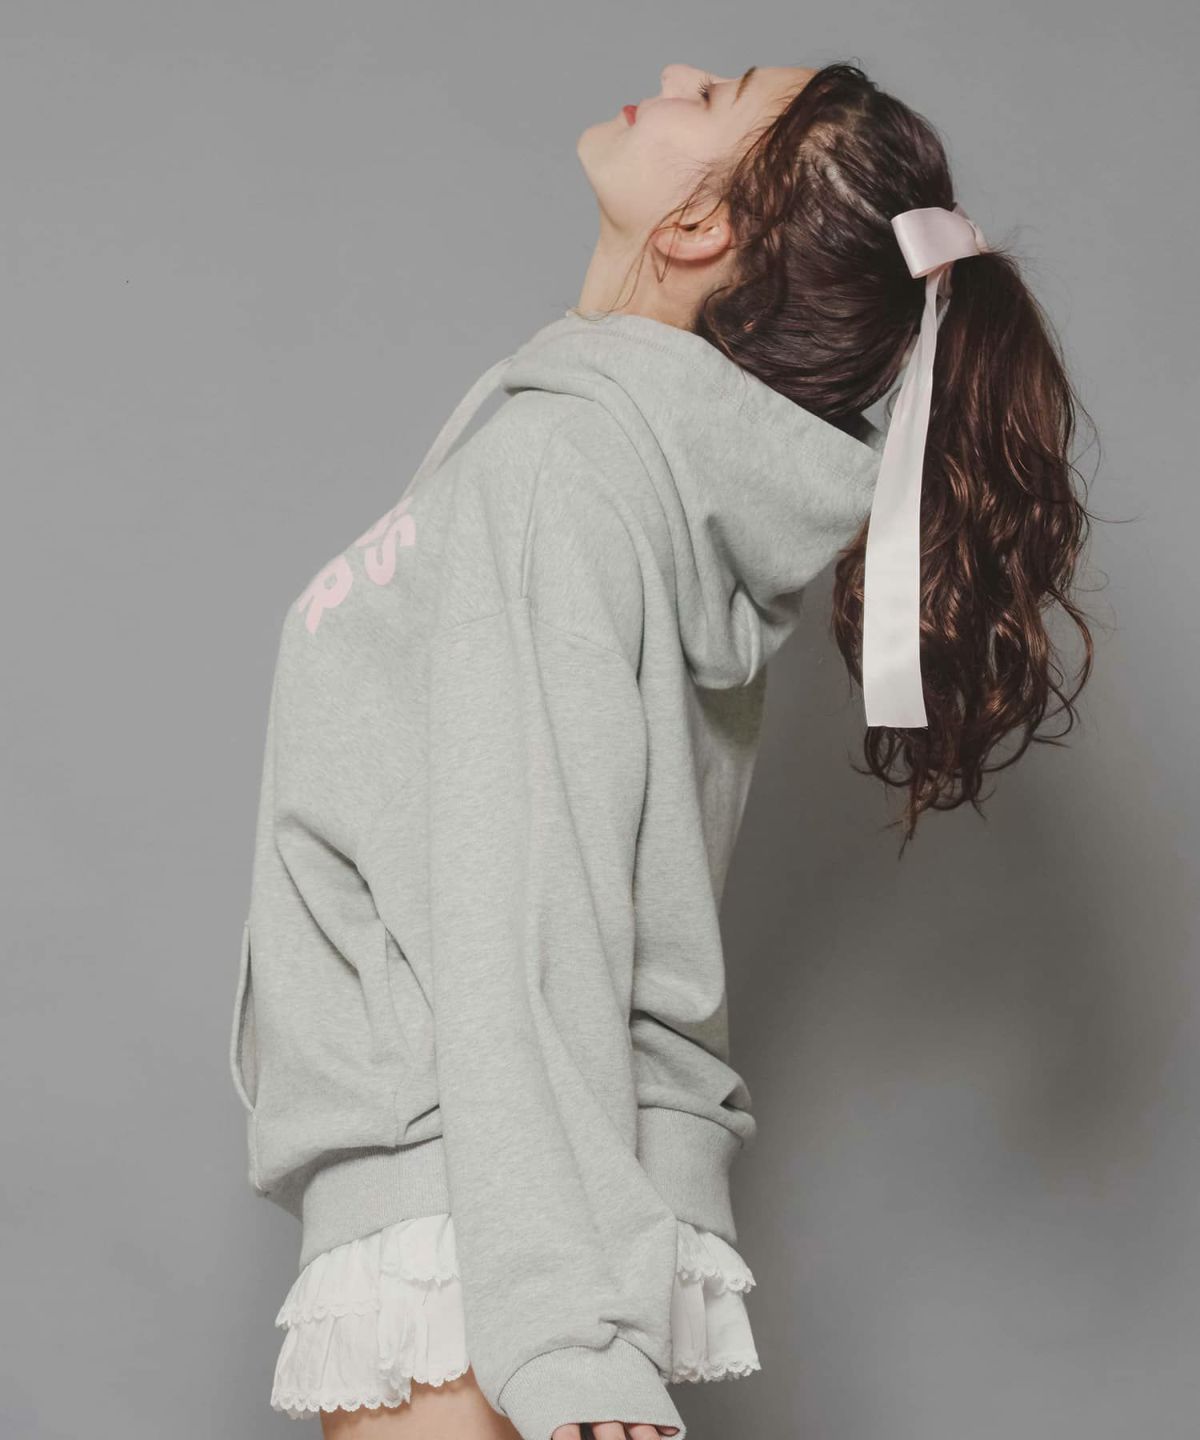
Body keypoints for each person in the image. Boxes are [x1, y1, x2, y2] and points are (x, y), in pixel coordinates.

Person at [229, 60, 1096, 1440]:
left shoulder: (560, 474)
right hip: (522, 1194)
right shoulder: (596, 465)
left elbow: (534, 907)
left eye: (718, 94)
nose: (677, 74)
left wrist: (564, 1332)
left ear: (702, 227)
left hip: (486, 1215)